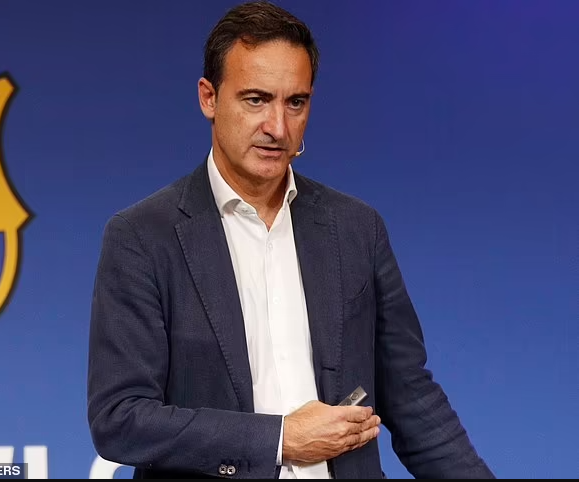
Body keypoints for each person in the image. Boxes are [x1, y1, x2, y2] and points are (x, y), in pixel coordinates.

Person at [87, 1, 495, 479]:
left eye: (295, 103)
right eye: (256, 100)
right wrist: (280, 439)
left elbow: (412, 397)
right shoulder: (142, 237)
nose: (278, 128)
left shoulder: (357, 228)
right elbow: (121, 419)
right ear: (208, 98)